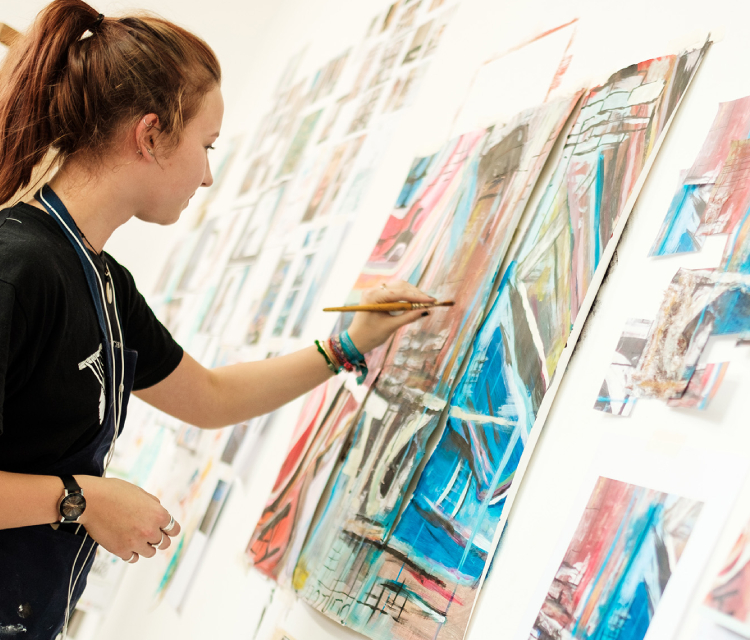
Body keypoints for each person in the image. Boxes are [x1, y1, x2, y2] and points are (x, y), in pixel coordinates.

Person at [0, 2, 434, 637]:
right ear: (149, 136)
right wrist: (83, 499)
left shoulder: (104, 281)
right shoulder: (19, 264)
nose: (207, 176)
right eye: (205, 147)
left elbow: (210, 397)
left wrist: (348, 345)